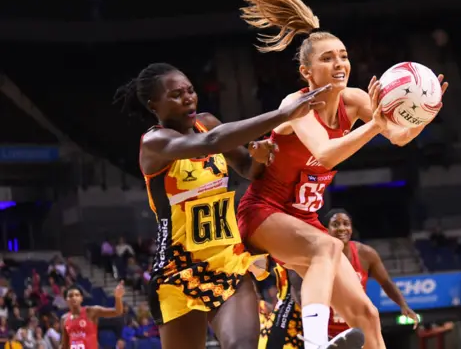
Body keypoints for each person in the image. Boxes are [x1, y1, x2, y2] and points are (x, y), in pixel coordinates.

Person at [237, 0, 448, 349]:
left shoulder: (354, 100)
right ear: (307, 72)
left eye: (344, 56)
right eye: (327, 58)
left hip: (304, 221)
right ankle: (316, 344)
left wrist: (422, 115)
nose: (339, 64)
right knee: (326, 247)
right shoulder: (296, 105)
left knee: (366, 315)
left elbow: (397, 136)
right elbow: (327, 152)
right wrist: (375, 125)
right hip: (264, 213)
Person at [114, 62, 330, 349]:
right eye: (176, 95)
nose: (188, 98)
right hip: (178, 271)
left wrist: (260, 156)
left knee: (242, 346)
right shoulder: (154, 143)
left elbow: (247, 168)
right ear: (154, 104)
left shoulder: (208, 122)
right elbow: (211, 142)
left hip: (228, 261)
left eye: (190, 90)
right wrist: (282, 114)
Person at [260, 209, 422, 349]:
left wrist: (402, 304)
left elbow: (385, 282)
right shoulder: (312, 253)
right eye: (335, 224)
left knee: (371, 318)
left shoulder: (365, 254)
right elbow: (298, 289)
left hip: (354, 325)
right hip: (325, 330)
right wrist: (314, 322)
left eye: (346, 223)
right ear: (325, 230)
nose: (342, 228)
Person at [60, 283, 125, 349]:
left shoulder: (91, 311)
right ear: (66, 300)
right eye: (70, 296)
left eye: (77, 295)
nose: (74, 298)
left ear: (81, 298)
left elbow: (117, 311)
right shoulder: (64, 319)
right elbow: (64, 345)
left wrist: (118, 297)